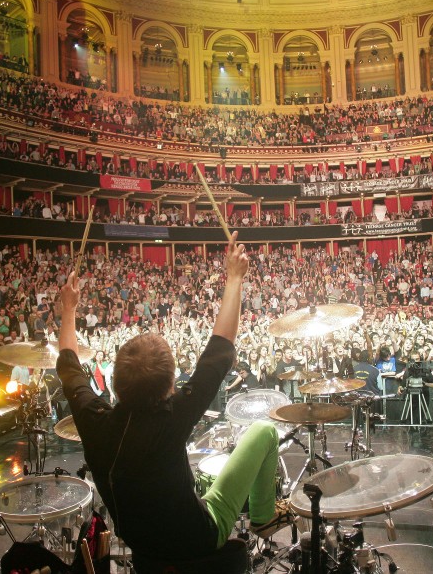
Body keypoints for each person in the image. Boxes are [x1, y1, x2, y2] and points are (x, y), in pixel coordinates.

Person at [58, 233, 291, 563]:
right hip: (198, 537)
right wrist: (235, 277)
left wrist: (68, 309)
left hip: (142, 544)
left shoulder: (93, 420)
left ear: (115, 383)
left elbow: (68, 365)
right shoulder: (172, 419)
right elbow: (221, 349)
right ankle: (264, 516)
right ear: (170, 387)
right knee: (264, 432)